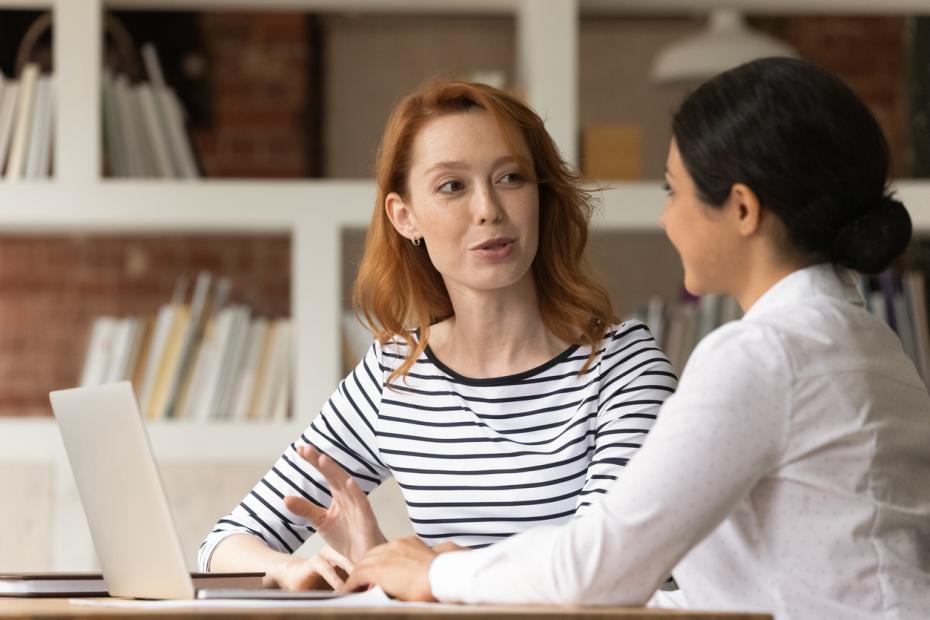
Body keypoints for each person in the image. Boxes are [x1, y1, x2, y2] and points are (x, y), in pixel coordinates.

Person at [342, 58, 930, 619]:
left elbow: (603, 566)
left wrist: (436, 575)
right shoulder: (870, 343)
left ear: (743, 209)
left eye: (674, 191)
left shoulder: (761, 356)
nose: (665, 219)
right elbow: (721, 586)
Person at [198, 79, 677, 591]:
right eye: (452, 186)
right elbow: (223, 544)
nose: (488, 208)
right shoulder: (395, 371)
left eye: (511, 177)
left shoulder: (625, 366)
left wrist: (416, 571)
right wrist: (296, 567)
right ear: (405, 218)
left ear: (540, 195)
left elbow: (600, 573)